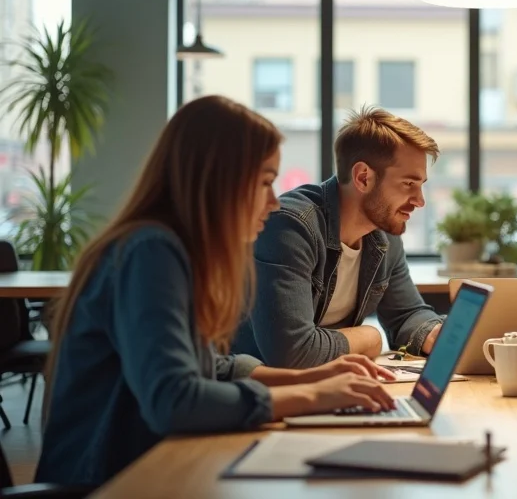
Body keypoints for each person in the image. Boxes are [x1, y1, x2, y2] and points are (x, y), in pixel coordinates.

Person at [35, 96, 397, 488]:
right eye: (264, 183)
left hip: (151, 468)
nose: (274, 202)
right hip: (108, 482)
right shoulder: (150, 252)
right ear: (217, 180)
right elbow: (176, 401)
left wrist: (311, 380)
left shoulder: (174, 251)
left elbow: (211, 366)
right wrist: (314, 397)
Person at [232, 106, 444, 368]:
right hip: (257, 394)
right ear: (363, 177)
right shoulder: (289, 228)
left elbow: (406, 314)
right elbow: (291, 352)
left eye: (421, 185)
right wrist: (369, 337)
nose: (419, 201)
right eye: (408, 184)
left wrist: (434, 333)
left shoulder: (385, 235)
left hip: (323, 385)